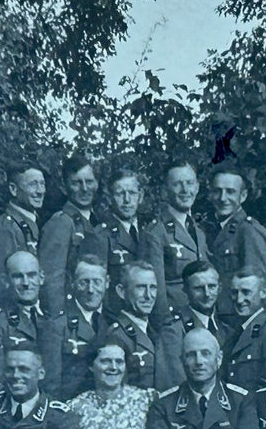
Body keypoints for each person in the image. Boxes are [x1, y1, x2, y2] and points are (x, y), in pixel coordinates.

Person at [0, 249, 61, 399]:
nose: (26, 283)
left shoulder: (55, 319)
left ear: (41, 277)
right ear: (5, 280)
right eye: (18, 276)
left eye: (31, 275)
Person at [206, 167, 266, 325]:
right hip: (216, 321)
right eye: (217, 191)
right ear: (210, 194)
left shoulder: (249, 231)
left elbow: (261, 291)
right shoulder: (209, 230)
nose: (223, 198)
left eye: (230, 192)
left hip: (238, 322)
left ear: (243, 196)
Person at [36, 153, 100, 315]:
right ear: (64, 187)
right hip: (71, 318)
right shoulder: (61, 223)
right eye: (76, 183)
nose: (84, 188)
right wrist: (59, 320)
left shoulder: (97, 222)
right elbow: (51, 281)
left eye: (89, 181)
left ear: (97, 184)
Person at [143, 159, 207, 316]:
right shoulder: (156, 233)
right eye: (177, 184)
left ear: (197, 187)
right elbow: (156, 293)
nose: (185, 190)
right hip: (175, 322)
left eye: (189, 183)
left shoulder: (198, 231)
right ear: (165, 190)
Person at [107, 260, 183, 391]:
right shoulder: (116, 336)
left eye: (153, 287)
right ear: (121, 291)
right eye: (141, 287)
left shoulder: (155, 331)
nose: (149, 296)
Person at [0, 160, 45, 314]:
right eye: (33, 185)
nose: (40, 191)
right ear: (13, 189)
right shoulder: (6, 229)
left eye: (42, 184)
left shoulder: (31, 223)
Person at [50, 255, 109, 401]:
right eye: (84, 282)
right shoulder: (58, 325)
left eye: (97, 282)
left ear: (106, 283)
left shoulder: (109, 323)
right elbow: (51, 384)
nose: (91, 290)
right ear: (72, 283)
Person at [223, 267, 266, 390]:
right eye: (235, 292)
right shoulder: (233, 335)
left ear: (263, 292)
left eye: (246, 292)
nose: (239, 299)